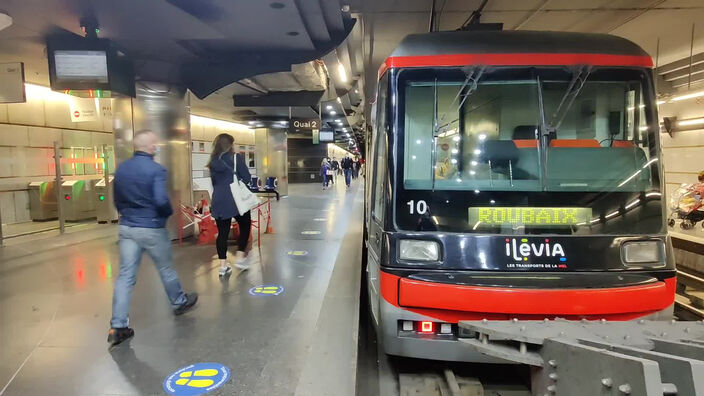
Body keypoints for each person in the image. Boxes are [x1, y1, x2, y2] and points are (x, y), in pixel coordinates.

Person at [108, 130, 198, 346]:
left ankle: (118, 326)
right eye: (155, 144)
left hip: (128, 226)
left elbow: (117, 199)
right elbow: (160, 200)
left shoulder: (122, 170)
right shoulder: (156, 170)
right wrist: (166, 213)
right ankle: (178, 302)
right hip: (151, 227)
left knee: (125, 276)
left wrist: (127, 214)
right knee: (165, 268)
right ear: (150, 147)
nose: (157, 147)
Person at [209, 134, 253, 276]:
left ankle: (223, 266)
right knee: (245, 224)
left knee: (222, 232)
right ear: (230, 145)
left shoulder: (213, 162)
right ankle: (240, 257)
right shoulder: (236, 158)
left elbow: (214, 183)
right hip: (235, 199)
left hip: (218, 199)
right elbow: (247, 178)